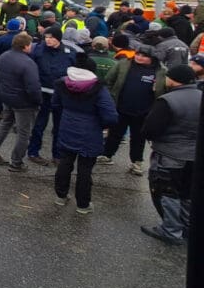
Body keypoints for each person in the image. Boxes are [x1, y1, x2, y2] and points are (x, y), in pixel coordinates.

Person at [141, 64, 198, 245]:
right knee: (188, 193)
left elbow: (150, 129)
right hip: (194, 156)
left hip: (170, 155)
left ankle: (171, 230)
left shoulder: (167, 100)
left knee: (168, 192)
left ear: (173, 79)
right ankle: (188, 228)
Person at [52, 66, 118, 213]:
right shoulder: (99, 90)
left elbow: (55, 104)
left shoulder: (62, 84)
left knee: (65, 162)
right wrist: (101, 125)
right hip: (90, 132)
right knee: (85, 169)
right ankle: (83, 204)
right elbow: (110, 117)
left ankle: (60, 196)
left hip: (67, 127)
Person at [100, 46, 166, 175]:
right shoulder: (124, 64)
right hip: (121, 107)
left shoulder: (161, 71)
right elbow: (109, 81)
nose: (139, 57)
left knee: (138, 138)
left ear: (152, 58)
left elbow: (165, 90)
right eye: (138, 54)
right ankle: (106, 155)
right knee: (114, 133)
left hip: (143, 111)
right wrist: (110, 98)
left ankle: (136, 162)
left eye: (144, 56)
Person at [0, 33, 41, 172]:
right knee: (24, 133)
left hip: (7, 97)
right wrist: (38, 101)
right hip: (23, 102)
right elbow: (33, 87)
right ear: (26, 46)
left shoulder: (4, 57)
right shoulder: (28, 63)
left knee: (5, 124)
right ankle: (16, 162)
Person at [27, 27, 75, 165]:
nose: (48, 40)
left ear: (58, 38)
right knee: (39, 125)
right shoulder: (38, 50)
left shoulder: (69, 53)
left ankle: (57, 155)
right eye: (46, 37)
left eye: (52, 38)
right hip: (42, 94)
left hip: (60, 96)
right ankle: (33, 152)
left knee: (59, 126)